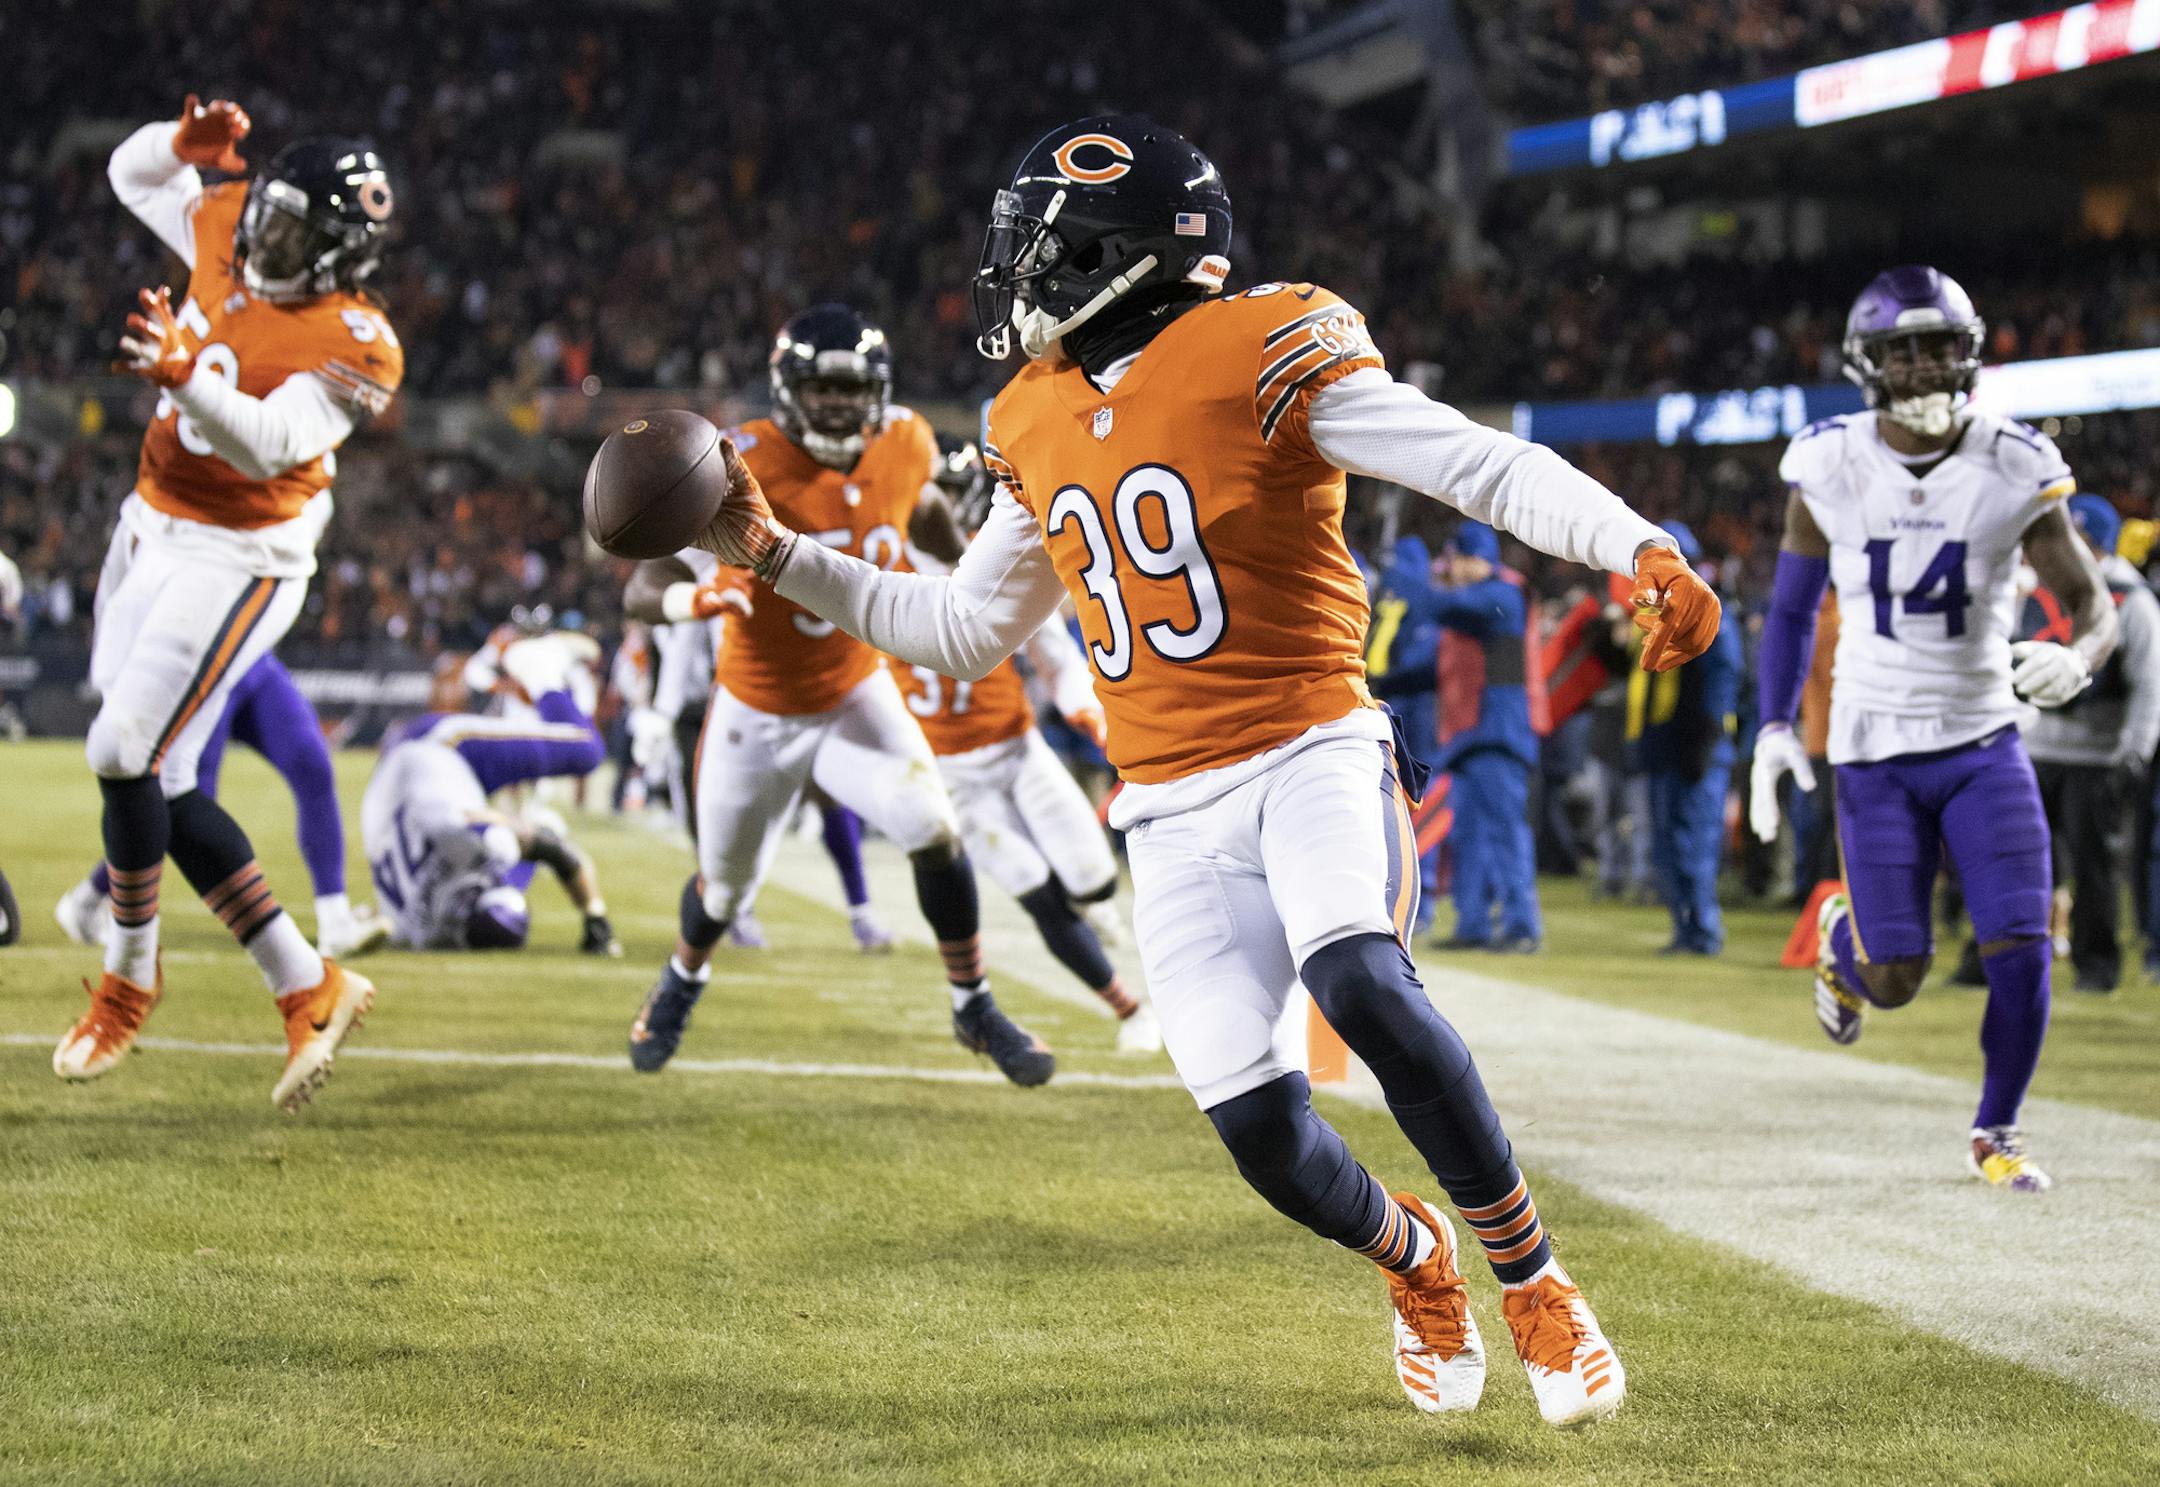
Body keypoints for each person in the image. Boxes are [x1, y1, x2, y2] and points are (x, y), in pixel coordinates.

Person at [693, 115, 1720, 1426]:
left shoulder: (1265, 345)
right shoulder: (1033, 412)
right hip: (1169, 809)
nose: (1013, 278)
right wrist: (775, 551)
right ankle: (1418, 1259)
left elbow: (1475, 461)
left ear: (1108, 256)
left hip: (1310, 745)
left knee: (1358, 972)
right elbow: (956, 625)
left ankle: (1536, 1278)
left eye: (1036, 251)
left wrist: (1634, 545)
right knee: (1258, 1129)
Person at [55, 95, 402, 1112]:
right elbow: (131, 175)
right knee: (156, 779)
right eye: (268, 214)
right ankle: (307, 980)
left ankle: (128, 976)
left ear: (342, 256)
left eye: (294, 233)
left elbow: (272, 441)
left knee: (123, 752)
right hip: (149, 520)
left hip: (241, 554)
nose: (264, 236)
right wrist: (178, 144)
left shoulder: (357, 338)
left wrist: (181, 377)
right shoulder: (235, 216)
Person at [621, 304, 1055, 1086]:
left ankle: (973, 1001)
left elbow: (917, 505)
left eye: (851, 390)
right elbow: (646, 582)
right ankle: (683, 978)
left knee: (934, 826)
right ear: (789, 388)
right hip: (756, 706)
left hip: (856, 690)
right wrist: (693, 604)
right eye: (821, 387)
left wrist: (969, 572)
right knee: (722, 889)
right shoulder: (739, 459)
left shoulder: (908, 440)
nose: (837, 404)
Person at [1750, 265, 2116, 1192]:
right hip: (1874, 751)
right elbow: (1791, 612)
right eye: (1901, 350)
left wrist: (2081, 655)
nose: (1922, 368)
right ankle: (1845, 946)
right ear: (1868, 363)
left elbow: (2091, 600)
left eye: (1939, 347)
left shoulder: (2015, 461)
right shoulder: (1827, 462)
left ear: (1971, 351)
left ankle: (1996, 1128)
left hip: (1983, 738)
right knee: (1899, 974)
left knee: (2022, 942)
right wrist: (1771, 726)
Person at [895, 443, 1160, 1053]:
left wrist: (1093, 717)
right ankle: (1128, 1009)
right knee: (1036, 888)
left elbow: (1058, 660)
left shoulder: (998, 577)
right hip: (955, 777)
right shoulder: (891, 576)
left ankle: (1097, 905)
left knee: (1095, 880)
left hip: (1019, 752)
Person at [54, 652, 392, 959]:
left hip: (252, 658)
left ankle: (335, 923)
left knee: (312, 766)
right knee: (186, 803)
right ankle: (89, 899)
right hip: (207, 660)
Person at [362, 636, 620, 955]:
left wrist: (596, 918)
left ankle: (540, 667)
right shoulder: (419, 930)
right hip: (395, 783)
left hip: (438, 750)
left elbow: (551, 846)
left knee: (586, 749)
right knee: (531, 827)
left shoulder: (484, 846)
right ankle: (542, 671)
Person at [2016, 494, 2160, 993]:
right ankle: (1998, 958)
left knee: (2094, 869)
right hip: (2035, 748)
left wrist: (2134, 751)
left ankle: (2096, 966)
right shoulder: (2038, 593)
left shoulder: (2131, 600)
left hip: (2096, 756)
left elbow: (2149, 684)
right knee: (2014, 860)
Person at [1427, 522, 1543, 952]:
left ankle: (1521, 926)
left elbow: (1441, 606)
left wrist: (1407, 574)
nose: (1451, 570)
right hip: (1473, 734)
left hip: (1499, 733)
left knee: (1505, 832)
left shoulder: (1503, 596)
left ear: (1475, 560)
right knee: (1469, 836)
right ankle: (1473, 922)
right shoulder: (1482, 603)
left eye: (1456, 560)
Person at [1634, 523, 1740, 955]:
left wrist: (1704, 743)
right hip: (1669, 746)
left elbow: (1722, 681)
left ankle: (1703, 930)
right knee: (1666, 846)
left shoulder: (1711, 615)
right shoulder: (1663, 616)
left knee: (1692, 843)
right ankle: (1686, 928)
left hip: (1698, 749)